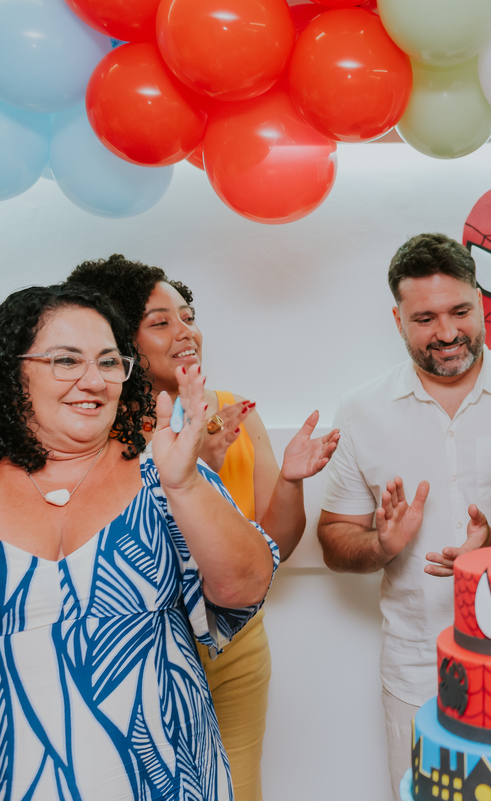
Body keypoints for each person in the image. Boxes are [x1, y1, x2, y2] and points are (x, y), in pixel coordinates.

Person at [67, 255, 339, 801]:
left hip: (232, 649)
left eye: (188, 316)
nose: (185, 331)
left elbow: (272, 551)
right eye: (161, 322)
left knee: (237, 789)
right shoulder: (88, 421)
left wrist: (289, 479)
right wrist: (192, 471)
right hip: (138, 650)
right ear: (119, 337)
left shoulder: (234, 410)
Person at [0, 283, 278, 800]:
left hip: (170, 777)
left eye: (109, 362)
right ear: (14, 371)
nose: (94, 380)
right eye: (66, 360)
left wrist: (186, 484)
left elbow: (244, 588)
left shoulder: (162, 469)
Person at [315, 233, 491, 798]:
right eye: (424, 318)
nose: (447, 333)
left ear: (481, 301)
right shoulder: (361, 410)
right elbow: (333, 537)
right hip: (417, 670)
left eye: (460, 311)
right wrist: (381, 545)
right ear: (397, 320)